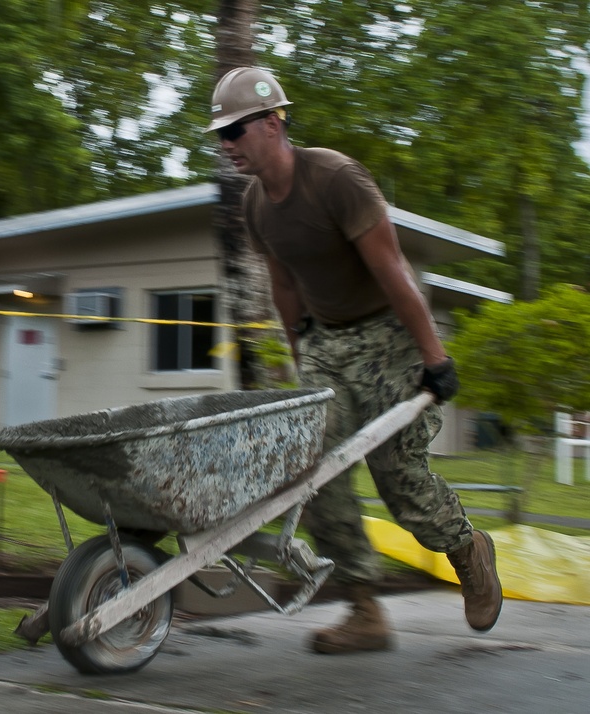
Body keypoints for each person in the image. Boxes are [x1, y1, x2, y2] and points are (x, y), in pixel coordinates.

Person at [205, 67, 503, 654]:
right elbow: (284, 287)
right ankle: (365, 609)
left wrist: (434, 358)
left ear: (272, 123)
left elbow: (393, 268)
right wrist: (301, 367)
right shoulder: (256, 206)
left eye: (236, 129)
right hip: (328, 346)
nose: (227, 143)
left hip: (389, 338)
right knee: (312, 471)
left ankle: (467, 550)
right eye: (220, 134)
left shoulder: (335, 179)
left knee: (398, 476)